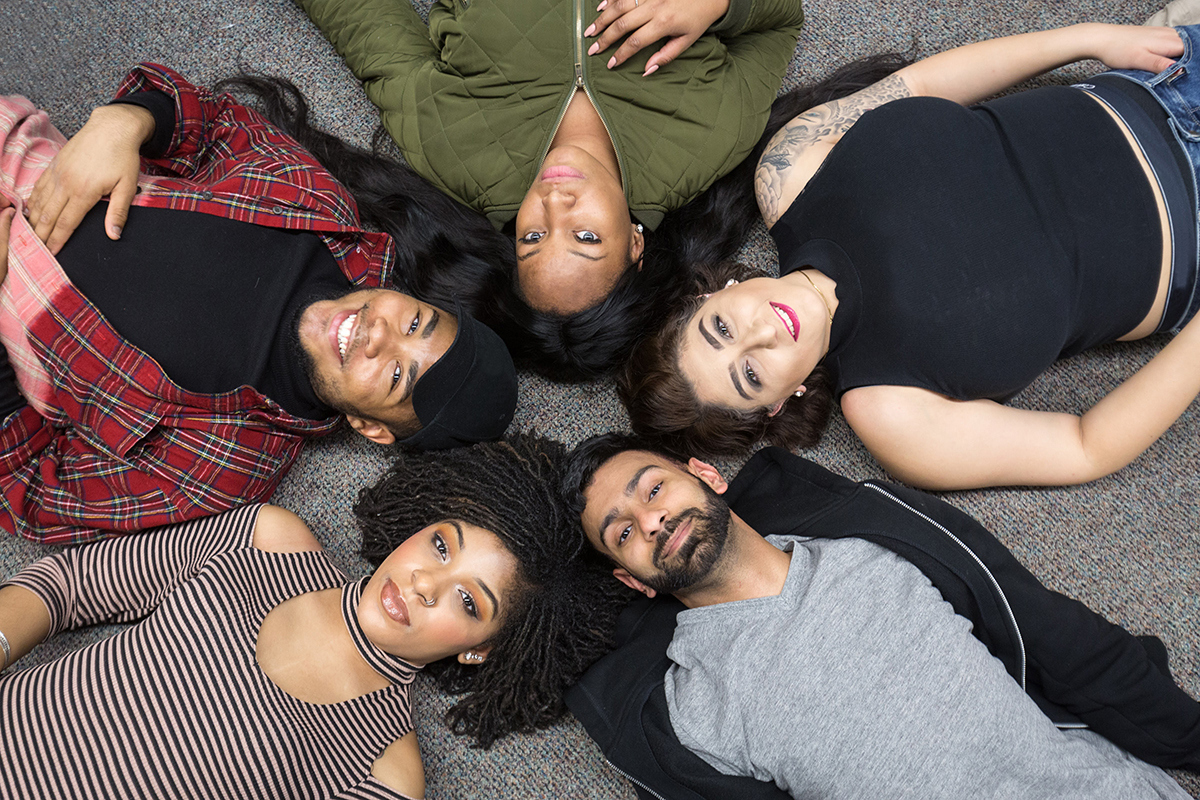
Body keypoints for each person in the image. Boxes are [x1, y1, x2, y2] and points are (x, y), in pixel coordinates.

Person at [620, 22, 1200, 491]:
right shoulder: (892, 415)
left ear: (713, 292)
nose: (760, 335)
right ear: (775, 407)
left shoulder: (789, 173)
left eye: (720, 328)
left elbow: (922, 84)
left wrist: (1088, 39)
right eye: (749, 376)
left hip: (1160, 86)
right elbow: (1084, 446)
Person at [0, 63, 518, 544]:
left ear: (371, 428)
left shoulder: (226, 469)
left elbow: (32, 491)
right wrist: (126, 122)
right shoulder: (321, 211)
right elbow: (207, 121)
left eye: (397, 376)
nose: (379, 335)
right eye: (413, 323)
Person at [561, 432, 1200, 799]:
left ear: (705, 474)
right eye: (623, 533)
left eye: (653, 488)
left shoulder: (871, 542)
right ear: (632, 581)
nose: (651, 520)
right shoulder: (692, 711)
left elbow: (1054, 633)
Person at [0, 433, 621, 798]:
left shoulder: (386, 772)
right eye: (440, 544)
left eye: (468, 601)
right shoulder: (270, 540)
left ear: (480, 650)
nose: (427, 583)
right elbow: (68, 584)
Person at [296, 0, 805, 379]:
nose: (554, 206)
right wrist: (719, 6)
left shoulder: (456, 151)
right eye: (586, 238)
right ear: (635, 243)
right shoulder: (710, 141)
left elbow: (359, 14)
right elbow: (780, 20)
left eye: (532, 238)